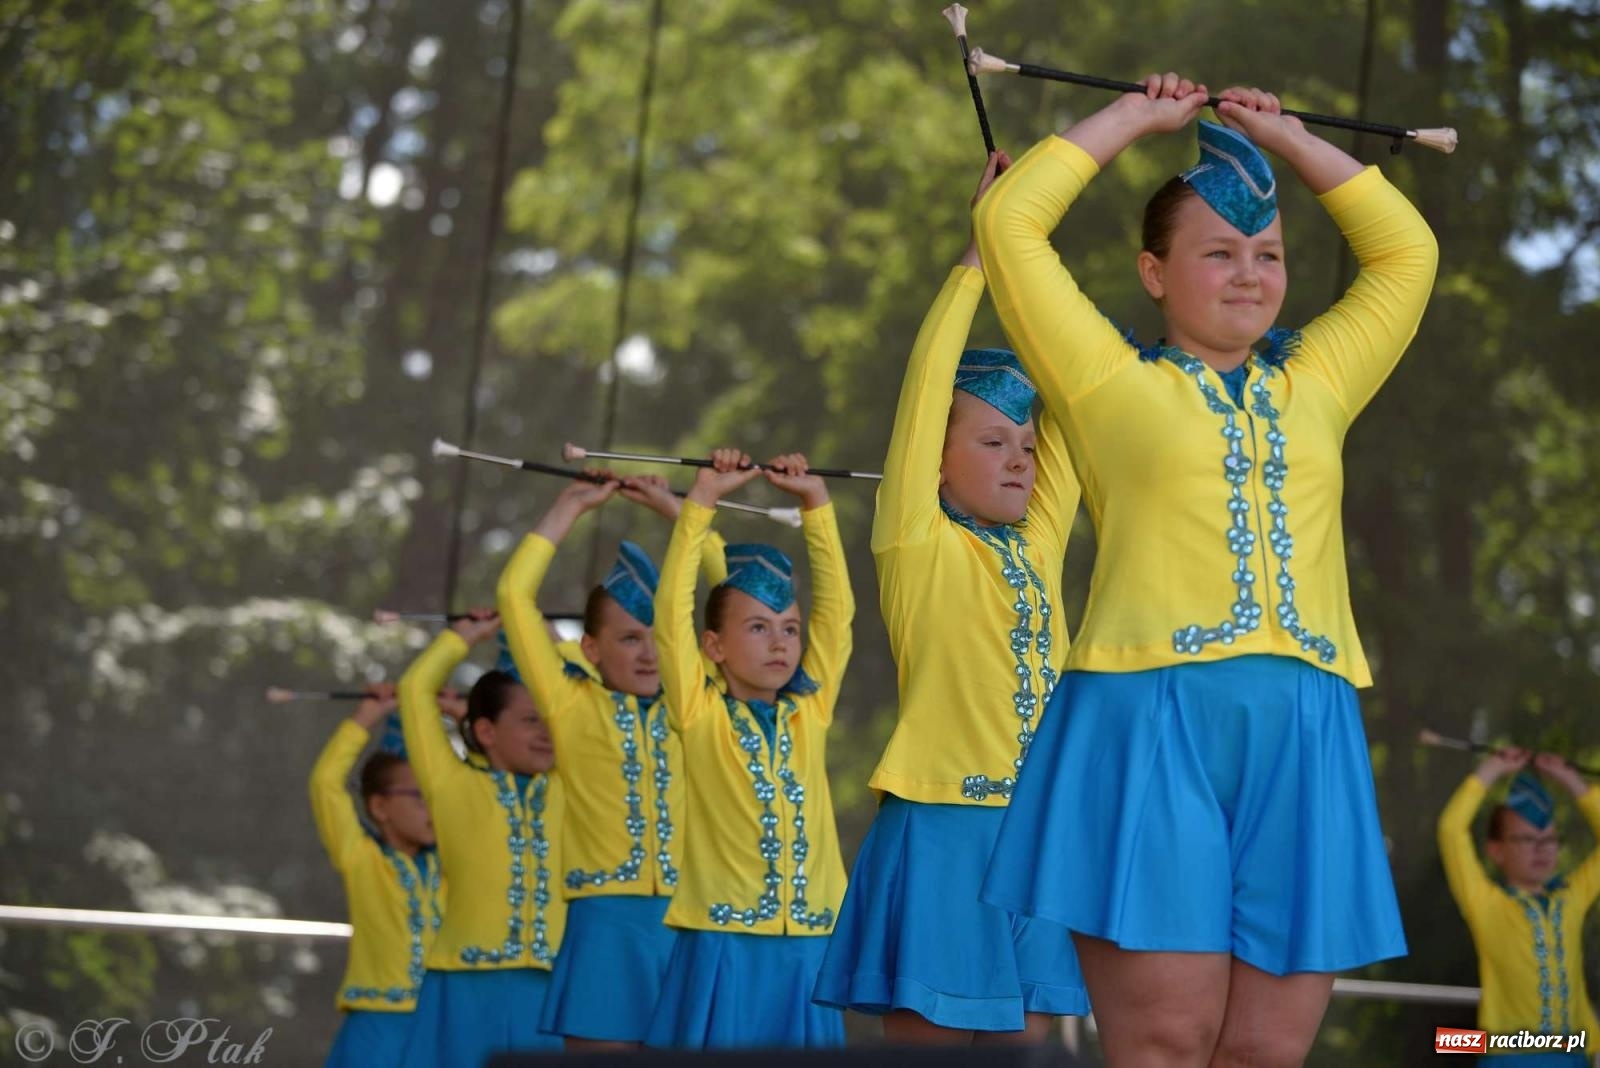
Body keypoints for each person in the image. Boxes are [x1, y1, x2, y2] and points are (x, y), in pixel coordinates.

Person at [974, 75, 1439, 1067]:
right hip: (1148, 722)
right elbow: (1012, 225)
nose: (1247, 273)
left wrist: (1293, 139)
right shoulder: (1104, 382)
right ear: (1153, 272)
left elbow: (1406, 253)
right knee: (1165, 1043)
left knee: (1268, 1052)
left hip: (1306, 728)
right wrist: (1137, 119)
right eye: (1217, 252)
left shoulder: (1317, 379)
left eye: (1266, 255)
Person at [812, 152, 1086, 1044]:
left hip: (1039, 833)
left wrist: (1027, 249)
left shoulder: (1039, 541)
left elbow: (1081, 393)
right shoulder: (914, 541)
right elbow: (926, 385)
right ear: (933, 459)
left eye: (1026, 446)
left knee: (1029, 1050)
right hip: (941, 829)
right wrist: (978, 254)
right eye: (993, 442)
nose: (1020, 459)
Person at [497, 472, 727, 1050]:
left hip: (690, 921)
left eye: (657, 635)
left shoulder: (699, 700)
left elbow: (732, 592)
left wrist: (679, 508)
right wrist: (568, 508)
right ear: (591, 649)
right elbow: (512, 599)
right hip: (604, 926)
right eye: (628, 639)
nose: (650, 652)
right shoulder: (569, 703)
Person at [645, 450, 853, 1049]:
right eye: (757, 628)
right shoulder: (699, 713)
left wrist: (816, 504)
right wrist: (702, 498)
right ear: (713, 646)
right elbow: (669, 617)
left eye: (789, 628)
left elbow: (838, 618)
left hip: (808, 946)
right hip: (723, 945)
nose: (781, 643)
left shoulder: (809, 711)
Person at [397, 609, 567, 1063]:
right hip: (466, 985)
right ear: (486, 730)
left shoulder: (574, 785)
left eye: (549, 718)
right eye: (531, 720)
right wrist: (466, 636)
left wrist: (544, 633)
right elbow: (415, 690)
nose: (547, 731)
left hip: (552, 988)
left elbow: (592, 698)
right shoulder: (451, 784)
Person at [310, 682, 443, 1066]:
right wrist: (365, 718)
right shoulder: (362, 858)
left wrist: (456, 717)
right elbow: (325, 784)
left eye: (437, 795)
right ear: (380, 806)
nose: (432, 807)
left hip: (440, 1020)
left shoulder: (453, 862)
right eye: (419, 796)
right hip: (376, 1024)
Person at [1439, 748, 1600, 1065]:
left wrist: (1571, 780)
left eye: (1550, 839)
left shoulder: (1571, 898)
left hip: (1573, 1053)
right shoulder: (1486, 904)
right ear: (1496, 851)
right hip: (1507, 1055)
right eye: (1527, 840)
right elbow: (1450, 830)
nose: (1541, 849)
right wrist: (1490, 771)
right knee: (1451, 1043)